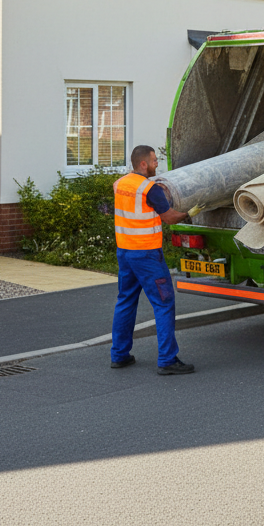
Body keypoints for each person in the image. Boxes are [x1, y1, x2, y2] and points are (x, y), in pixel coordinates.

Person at [111, 145, 196, 375]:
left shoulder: (120, 184)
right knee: (163, 302)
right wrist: (189, 212)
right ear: (143, 164)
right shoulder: (151, 189)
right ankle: (168, 360)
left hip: (125, 252)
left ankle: (119, 355)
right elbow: (169, 218)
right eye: (154, 160)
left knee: (125, 300)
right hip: (147, 254)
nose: (157, 163)